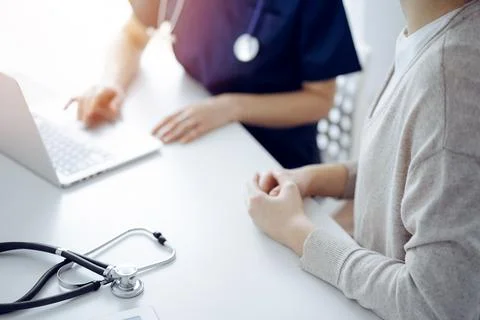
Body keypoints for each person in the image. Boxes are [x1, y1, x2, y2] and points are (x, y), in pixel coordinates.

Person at [246, 0, 480, 319]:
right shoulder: (431, 35)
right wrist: (318, 178)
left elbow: (432, 304)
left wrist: (296, 230)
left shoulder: (450, 79)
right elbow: (415, 166)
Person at [71, 0, 361, 169]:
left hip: (271, 158)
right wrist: (111, 83)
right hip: (192, 137)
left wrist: (231, 107)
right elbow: (133, 35)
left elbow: (320, 100)